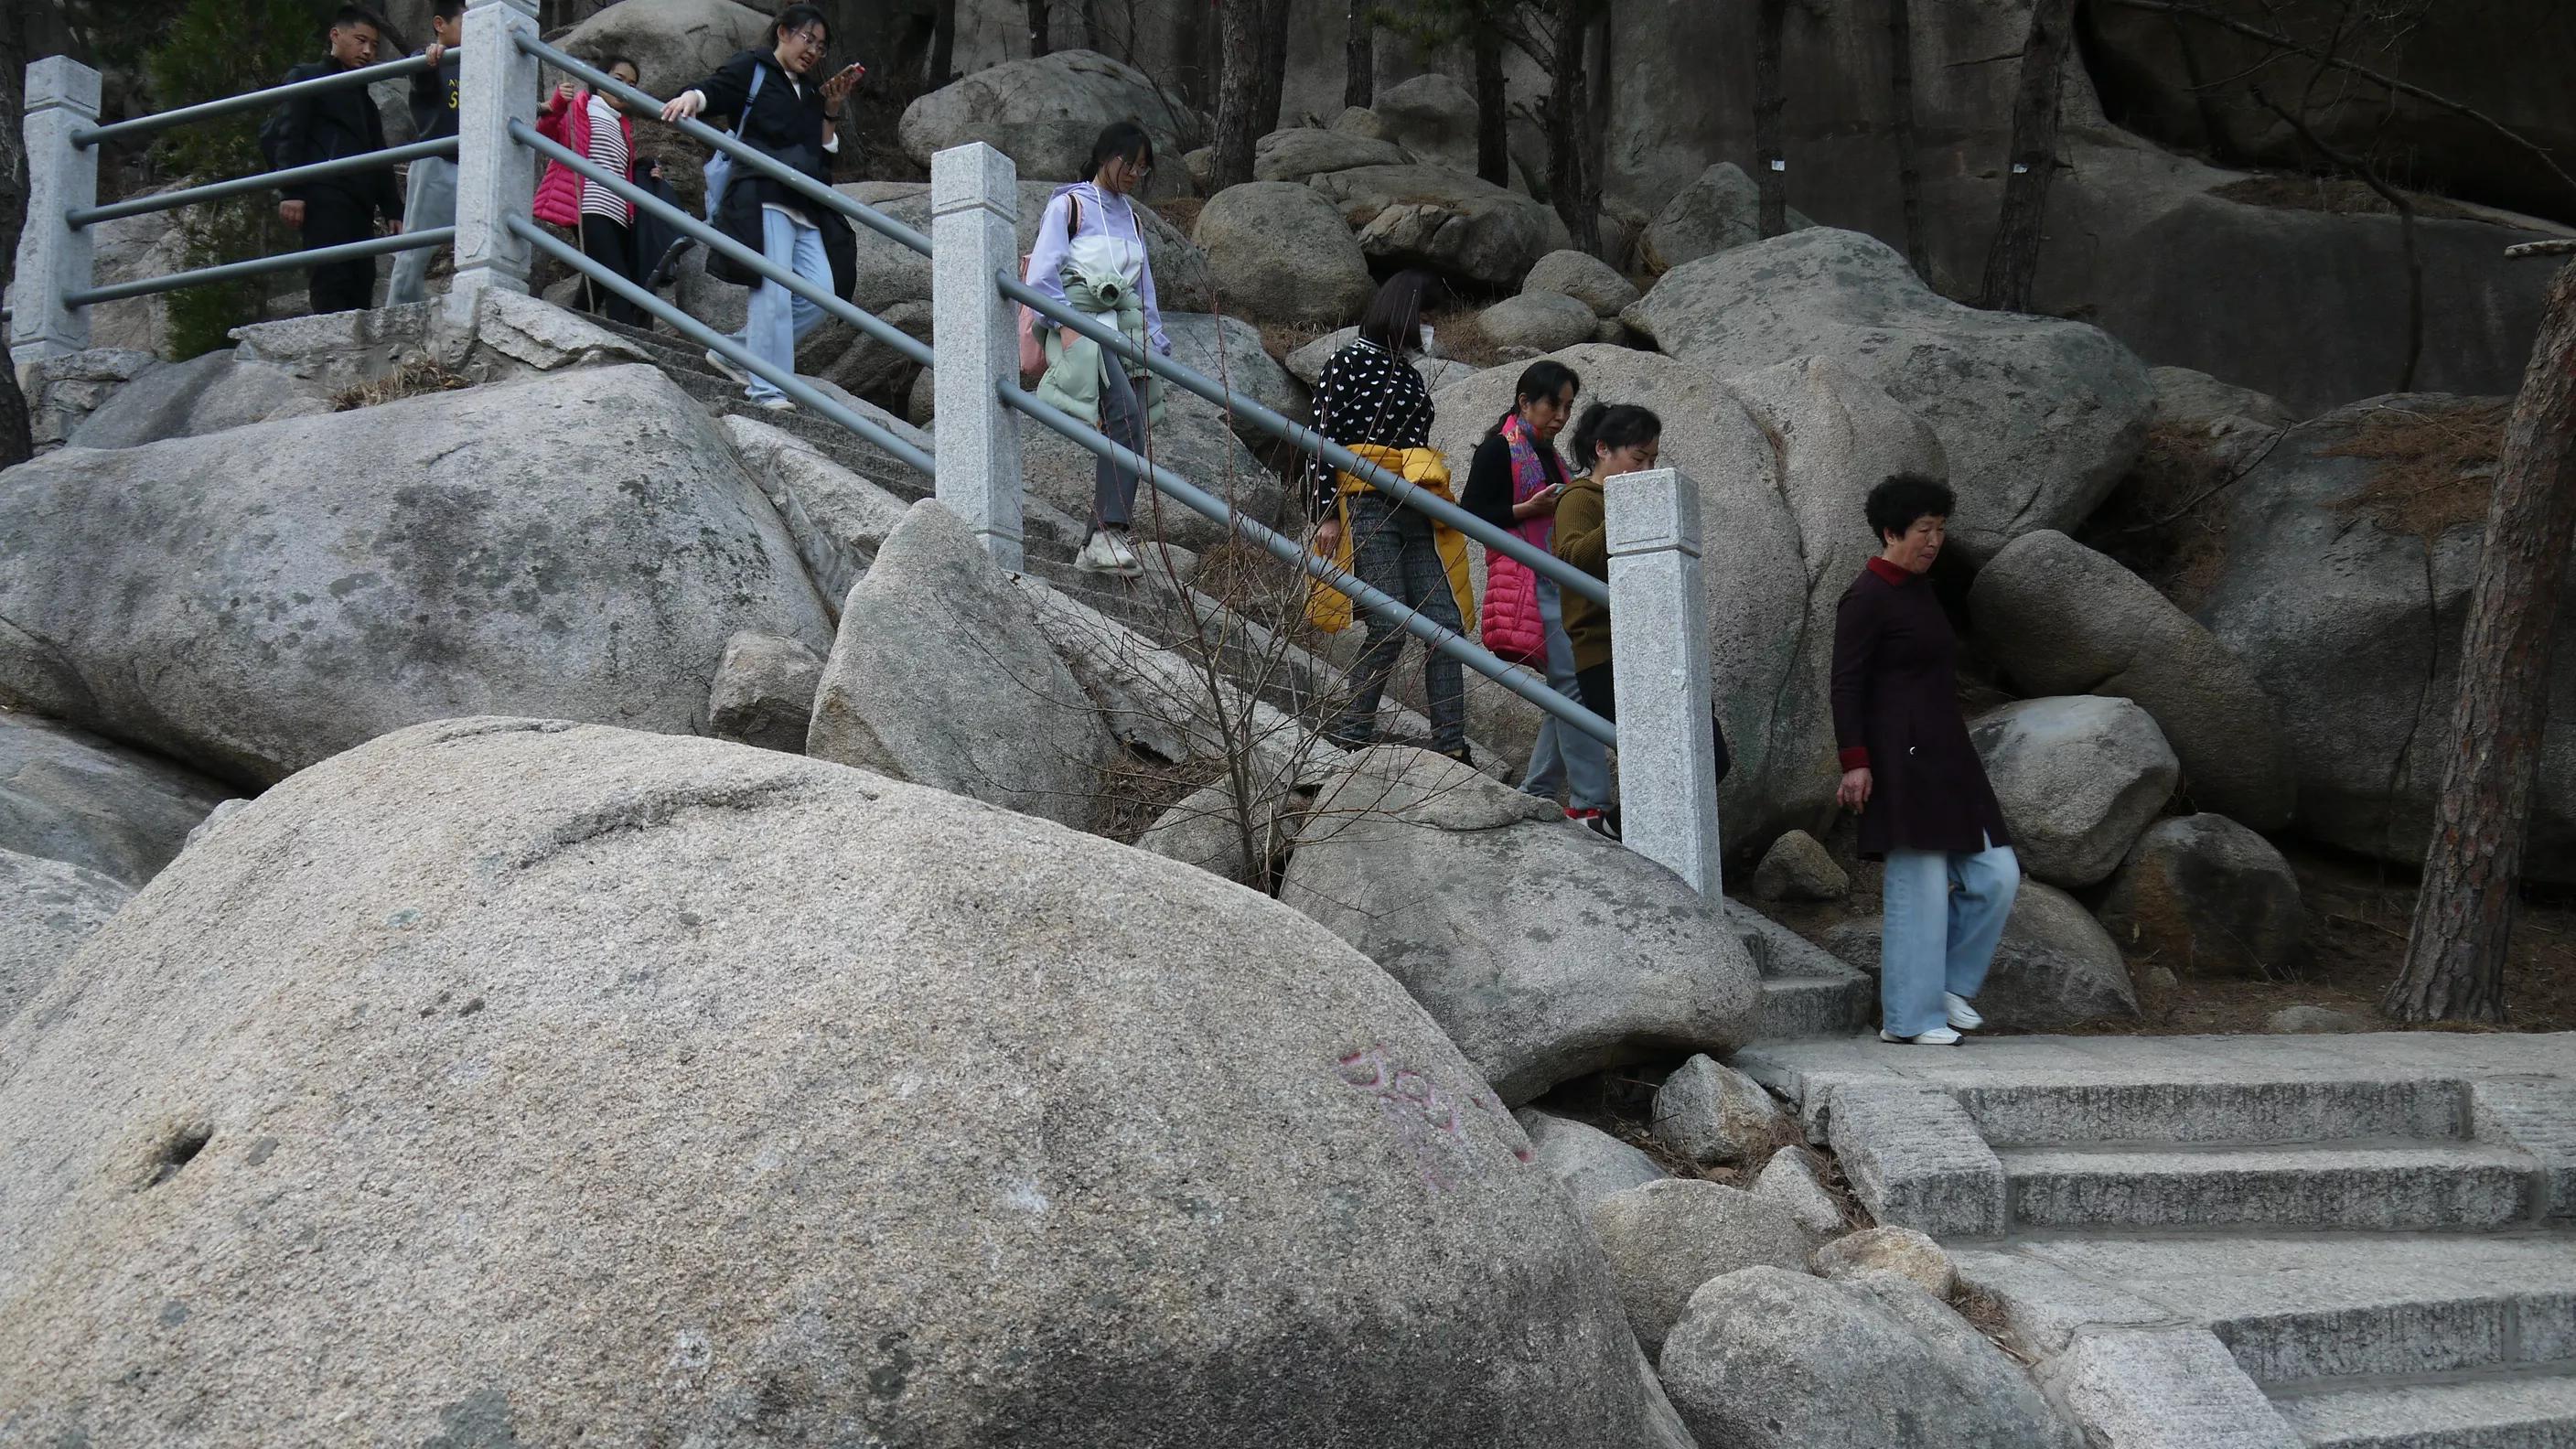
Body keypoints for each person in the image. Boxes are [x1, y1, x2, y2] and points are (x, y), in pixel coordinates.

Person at [1829, 473, 2020, 1046]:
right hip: (1900, 761)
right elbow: (1845, 683)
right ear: (1891, 532)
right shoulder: (1865, 596)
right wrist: (1855, 761)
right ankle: (1909, 1020)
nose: (1934, 541)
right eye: (1922, 530)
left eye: (1939, 530)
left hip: (1948, 759)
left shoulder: (1921, 590)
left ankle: (1948, 988)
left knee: (1998, 876)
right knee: (1922, 890)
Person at [1304, 271, 1473, 764]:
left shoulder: (1412, 374)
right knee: (1390, 622)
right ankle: (1353, 728)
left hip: (1414, 504)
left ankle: (1451, 742)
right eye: (1424, 319)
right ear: (1402, 314)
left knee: (1446, 625)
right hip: (1364, 503)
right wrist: (1325, 513)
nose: (1429, 329)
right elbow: (1318, 440)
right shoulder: (1347, 362)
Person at [662, 5, 864, 411]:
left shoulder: (809, 92)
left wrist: (832, 109)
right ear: (784, 33)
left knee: (823, 295)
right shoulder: (752, 67)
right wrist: (691, 98)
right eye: (809, 39)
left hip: (803, 203)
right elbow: (715, 88)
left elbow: (820, 153)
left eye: (821, 47)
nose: (813, 51)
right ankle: (767, 390)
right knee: (772, 293)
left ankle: (734, 353)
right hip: (762, 194)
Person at [1461, 360, 1610, 831]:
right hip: (1529, 575)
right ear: (1525, 401)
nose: (1561, 416)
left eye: (1568, 406)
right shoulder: (1496, 450)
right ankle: (1590, 801)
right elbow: (1470, 513)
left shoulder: (1548, 453)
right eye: (1553, 404)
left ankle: (1539, 788)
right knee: (1575, 687)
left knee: (1568, 688)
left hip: (1555, 578)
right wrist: (1528, 507)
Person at [1025, 121, 1175, 576]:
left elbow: (1142, 286)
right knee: (1126, 416)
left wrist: (1155, 339)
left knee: (1127, 424)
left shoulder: (1131, 217)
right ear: (1105, 156)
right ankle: (1111, 532)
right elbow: (1041, 277)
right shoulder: (1069, 205)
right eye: (1128, 163)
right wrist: (1064, 324)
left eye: (1142, 168)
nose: (1134, 173)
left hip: (1124, 331)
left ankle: (1094, 541)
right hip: (1083, 326)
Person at [274, 6, 402, 317]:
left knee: (362, 279)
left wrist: (392, 208)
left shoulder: (365, 99)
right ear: (336, 35)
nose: (368, 51)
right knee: (331, 277)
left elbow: (379, 154)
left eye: (373, 45)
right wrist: (291, 191)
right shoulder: (306, 77)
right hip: (323, 193)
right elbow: (290, 134)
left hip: (359, 201)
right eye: (360, 40)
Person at [1549, 402, 1663, 735]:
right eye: (1638, 459)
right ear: (1602, 449)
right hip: (1604, 655)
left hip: (1646, 647)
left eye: (1653, 460)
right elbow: (1572, 561)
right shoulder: (1579, 499)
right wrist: (1620, 513)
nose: (1646, 470)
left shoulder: (1636, 498)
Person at [536, 58, 660, 327]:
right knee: (616, 279)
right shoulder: (582, 107)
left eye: (632, 84)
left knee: (598, 279)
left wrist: (647, 174)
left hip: (618, 212)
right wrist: (556, 105)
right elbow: (545, 134)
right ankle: (630, 345)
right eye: (617, 79)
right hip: (589, 205)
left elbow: (618, 168)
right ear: (599, 79)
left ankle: (567, 327)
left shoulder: (622, 124)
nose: (624, 87)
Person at [386, 0, 462, 307]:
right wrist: (428, 57)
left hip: (472, 164)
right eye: (465, 22)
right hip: (436, 163)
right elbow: (420, 72)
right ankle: (397, 311)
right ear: (440, 24)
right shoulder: (433, 58)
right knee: (415, 248)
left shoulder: (476, 61)